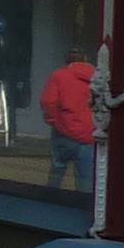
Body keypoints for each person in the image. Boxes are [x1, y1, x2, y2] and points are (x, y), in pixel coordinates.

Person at [39, 47, 98, 191]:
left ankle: (51, 201)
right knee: (85, 177)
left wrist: (54, 121)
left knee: (57, 171)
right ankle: (83, 206)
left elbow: (48, 102)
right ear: (85, 59)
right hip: (88, 133)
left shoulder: (59, 76)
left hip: (63, 131)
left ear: (66, 61)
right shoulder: (98, 78)